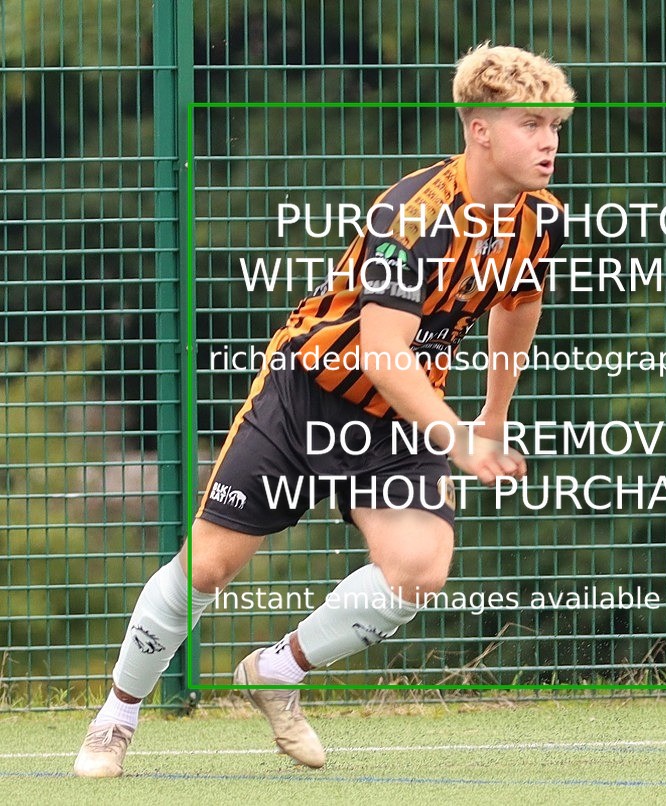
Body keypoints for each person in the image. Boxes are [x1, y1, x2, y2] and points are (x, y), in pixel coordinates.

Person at [74, 42, 575, 777]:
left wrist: (493, 417)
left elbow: (517, 309)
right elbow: (382, 352)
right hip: (309, 392)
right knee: (208, 569)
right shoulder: (413, 216)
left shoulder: (541, 218)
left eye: (555, 126)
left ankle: (279, 669)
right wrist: (459, 436)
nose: (549, 141)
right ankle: (115, 717)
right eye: (531, 123)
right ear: (479, 129)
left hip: (400, 417)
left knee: (417, 568)